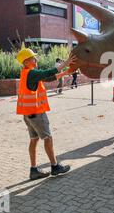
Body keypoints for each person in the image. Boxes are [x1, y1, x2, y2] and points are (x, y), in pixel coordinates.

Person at [16, 48, 77, 180]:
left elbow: (48, 78)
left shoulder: (26, 73)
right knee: (47, 138)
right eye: (33, 58)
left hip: (28, 114)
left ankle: (34, 170)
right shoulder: (31, 73)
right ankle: (55, 166)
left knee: (34, 140)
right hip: (37, 114)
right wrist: (66, 62)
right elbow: (48, 72)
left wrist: (66, 72)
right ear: (26, 62)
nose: (36, 60)